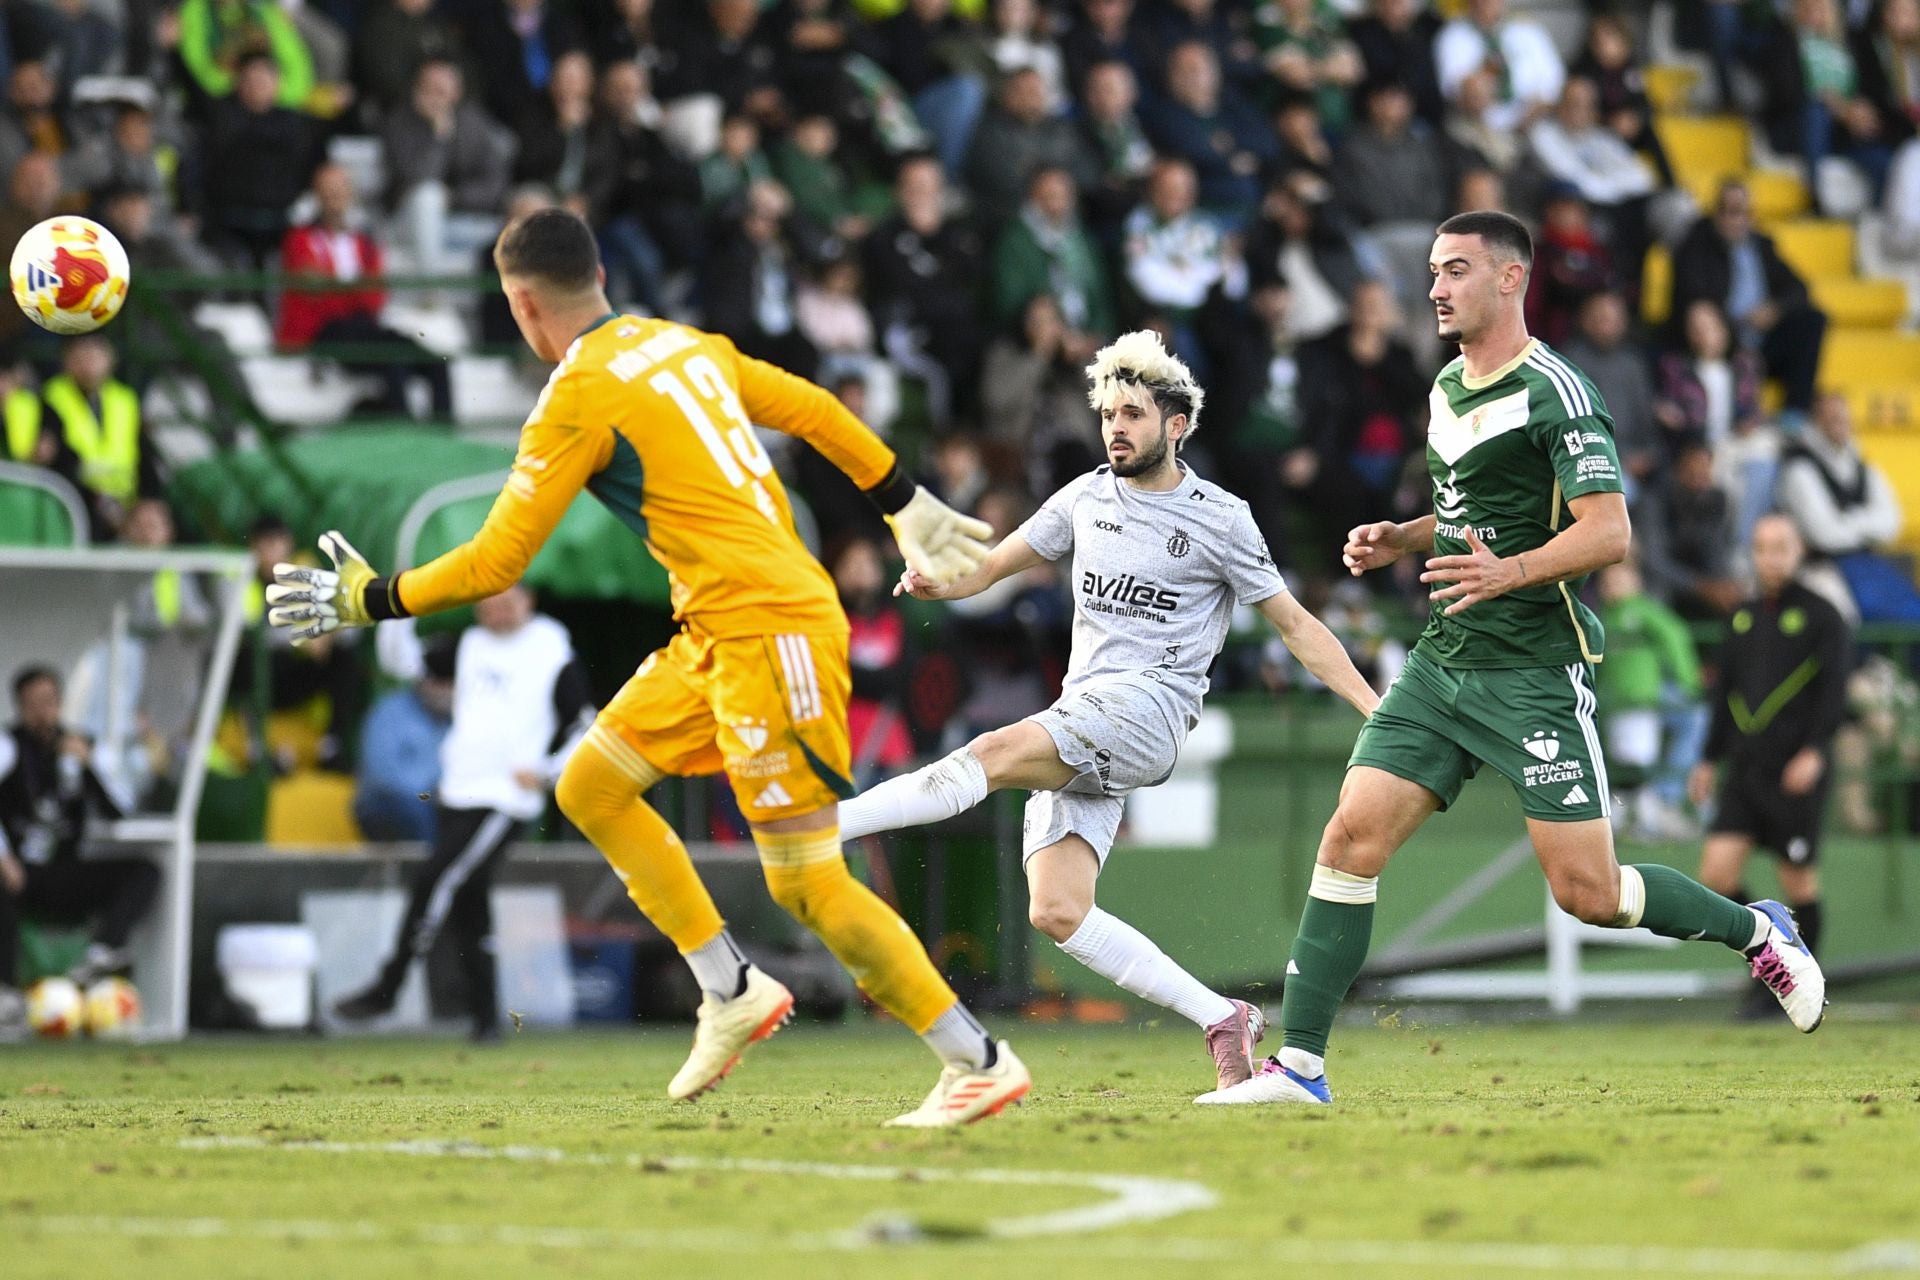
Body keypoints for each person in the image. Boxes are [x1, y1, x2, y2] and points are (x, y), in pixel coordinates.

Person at [265, 207, 1028, 1126]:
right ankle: (732, 990)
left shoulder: (577, 396)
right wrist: (901, 501)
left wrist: (373, 596)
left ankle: (975, 1058)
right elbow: (818, 408)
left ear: (521, 303)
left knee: (807, 881)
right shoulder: (683, 345)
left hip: (766, 631)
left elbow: (496, 565)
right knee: (590, 784)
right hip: (715, 630)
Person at [1198, 211, 1828, 1109]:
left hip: (1533, 673)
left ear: (1510, 279)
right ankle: (1299, 1068)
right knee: (1349, 837)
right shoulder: (1447, 385)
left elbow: (1609, 532)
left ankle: (1756, 929)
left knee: (1590, 894)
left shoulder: (1560, 394)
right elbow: (1468, 516)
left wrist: (1512, 573)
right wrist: (1403, 536)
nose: (1435, 289)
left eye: (1454, 270)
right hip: (1443, 658)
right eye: (1431, 271)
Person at [837, 329, 1380, 1092]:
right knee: (1057, 911)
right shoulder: (1087, 496)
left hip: (1151, 710)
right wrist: (939, 582)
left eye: (1132, 414)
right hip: (1086, 709)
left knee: (991, 755)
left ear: (1175, 423)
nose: (1116, 429)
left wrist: (1371, 706)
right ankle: (1221, 1017)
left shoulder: (1222, 518)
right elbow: (993, 566)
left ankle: (823, 828)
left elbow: (1296, 625)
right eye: (1108, 415)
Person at [334, 585, 591, 1041]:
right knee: (470, 905)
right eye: (487, 600)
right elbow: (402, 661)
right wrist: (395, 604)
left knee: (437, 878)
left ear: (528, 600)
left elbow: (585, 722)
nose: (495, 610)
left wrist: (551, 771)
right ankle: (486, 1019)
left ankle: (388, 986)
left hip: (505, 799)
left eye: (507, 599)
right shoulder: (470, 645)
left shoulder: (549, 646)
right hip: (457, 791)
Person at [1689, 515, 1851, 1019]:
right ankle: (1772, 969)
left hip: (1794, 770)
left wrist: (1815, 750)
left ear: (1798, 550)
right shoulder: (1741, 616)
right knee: (1715, 875)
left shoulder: (1825, 617)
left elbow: (1834, 692)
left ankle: (1804, 984)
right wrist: (1708, 760)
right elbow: (1723, 696)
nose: (1770, 557)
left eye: (1780, 547)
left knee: (1798, 881)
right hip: (1745, 771)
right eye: (1761, 548)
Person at [0, 666, 158, 1036]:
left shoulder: (80, 746)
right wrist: (3, 856)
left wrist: (92, 766)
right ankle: (5, 990)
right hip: (18, 870)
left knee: (144, 871)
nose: (43, 712)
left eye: (50, 702)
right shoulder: (8, 745)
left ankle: (103, 951)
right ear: (20, 706)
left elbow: (119, 810)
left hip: (61, 871)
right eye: (33, 704)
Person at [1776, 390, 1920, 624]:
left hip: (1866, 564)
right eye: (1831, 417)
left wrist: (1847, 520)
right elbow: (1824, 535)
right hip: (1818, 569)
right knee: (1843, 621)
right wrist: (1867, 522)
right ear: (1816, 421)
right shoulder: (1800, 468)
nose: (1840, 424)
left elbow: (1893, 523)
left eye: (1843, 417)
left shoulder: (1863, 467)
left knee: (1909, 610)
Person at [351, 636, 454, 842]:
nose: (444, 691)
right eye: (437, 682)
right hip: (386, 801)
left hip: (443, 800)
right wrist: (431, 792)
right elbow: (382, 774)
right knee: (417, 808)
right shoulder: (390, 712)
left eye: (450, 684)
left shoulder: (465, 717)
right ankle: (431, 872)